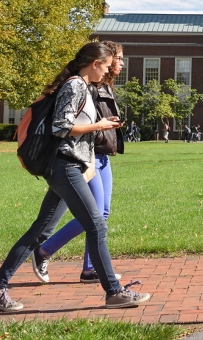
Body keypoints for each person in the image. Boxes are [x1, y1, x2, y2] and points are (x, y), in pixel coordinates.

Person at [0, 42, 150, 312]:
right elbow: (61, 126)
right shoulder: (75, 85)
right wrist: (100, 125)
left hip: (69, 166)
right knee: (96, 225)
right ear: (94, 63)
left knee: (42, 230)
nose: (107, 71)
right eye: (105, 66)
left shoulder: (81, 86)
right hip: (64, 166)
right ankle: (114, 293)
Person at [37, 42, 126, 284]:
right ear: (101, 63)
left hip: (103, 155)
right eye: (117, 59)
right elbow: (69, 123)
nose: (119, 64)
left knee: (101, 213)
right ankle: (44, 249)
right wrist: (101, 126)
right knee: (93, 215)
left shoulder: (103, 86)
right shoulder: (86, 86)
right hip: (87, 156)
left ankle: (89, 269)